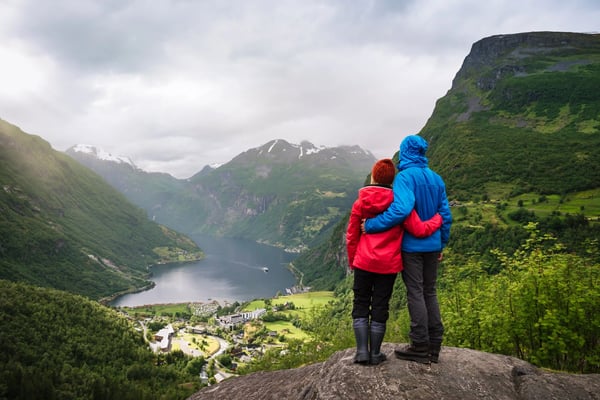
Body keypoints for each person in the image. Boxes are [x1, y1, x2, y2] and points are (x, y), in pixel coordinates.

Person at [362, 135, 452, 364]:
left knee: (416, 292)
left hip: (411, 247)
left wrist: (371, 225)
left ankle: (419, 345)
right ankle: (434, 346)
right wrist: (441, 242)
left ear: (405, 152)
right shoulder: (437, 179)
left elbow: (401, 210)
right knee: (430, 291)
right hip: (432, 246)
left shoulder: (404, 178)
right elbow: (445, 215)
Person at [346, 158, 442, 365]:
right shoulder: (399, 203)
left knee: (361, 302)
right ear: (392, 181)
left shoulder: (360, 202)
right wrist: (437, 219)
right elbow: (418, 229)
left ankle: (362, 352)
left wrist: (352, 260)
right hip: (388, 264)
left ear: (373, 176)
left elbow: (352, 235)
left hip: (363, 262)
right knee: (381, 305)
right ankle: (376, 353)